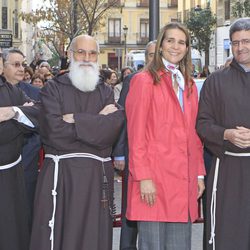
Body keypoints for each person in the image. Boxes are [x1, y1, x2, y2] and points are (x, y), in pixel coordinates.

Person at [29, 34, 124, 250]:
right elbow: (53, 132)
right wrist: (97, 120)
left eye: (92, 53)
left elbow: (110, 131)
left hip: (96, 178)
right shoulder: (53, 88)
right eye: (81, 52)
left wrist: (75, 119)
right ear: (71, 55)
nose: (86, 58)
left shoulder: (105, 91)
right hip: (62, 177)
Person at [125, 22, 205, 250]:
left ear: (187, 48)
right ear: (160, 45)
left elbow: (194, 135)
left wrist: (199, 174)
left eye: (182, 42)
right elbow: (136, 135)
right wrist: (143, 178)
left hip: (183, 180)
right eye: (170, 40)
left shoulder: (188, 84)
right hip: (154, 181)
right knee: (153, 245)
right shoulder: (143, 81)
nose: (175, 46)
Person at [196, 17, 250, 250]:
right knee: (229, 235)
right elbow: (202, 124)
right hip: (228, 170)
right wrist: (227, 134)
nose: (241, 47)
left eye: (246, 41)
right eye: (235, 42)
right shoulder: (216, 81)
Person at [0, 49, 39, 250]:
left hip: (10, 173)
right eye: (15, 64)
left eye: (23, 64)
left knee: (10, 229)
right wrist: (17, 124)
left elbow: (37, 115)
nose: (22, 69)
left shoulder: (12, 90)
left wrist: (12, 112)